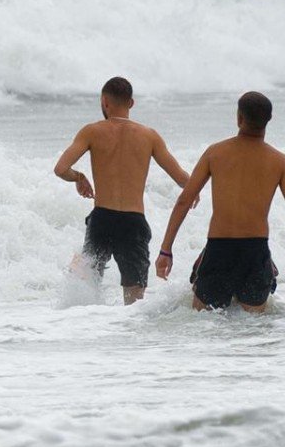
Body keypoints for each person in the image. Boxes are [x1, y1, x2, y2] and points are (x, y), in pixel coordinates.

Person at [155, 91, 285, 311]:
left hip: (219, 250)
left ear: (239, 118)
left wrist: (166, 250)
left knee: (203, 323)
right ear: (268, 120)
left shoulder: (215, 153)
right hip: (255, 253)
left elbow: (184, 201)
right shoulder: (280, 162)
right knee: (252, 330)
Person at [53, 77, 193, 304]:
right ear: (131, 103)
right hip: (132, 223)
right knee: (134, 301)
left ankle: (81, 331)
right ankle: (129, 336)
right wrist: (196, 191)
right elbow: (181, 178)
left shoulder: (91, 132)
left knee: (85, 283)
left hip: (102, 220)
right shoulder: (149, 136)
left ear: (104, 102)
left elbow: (60, 169)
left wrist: (78, 177)